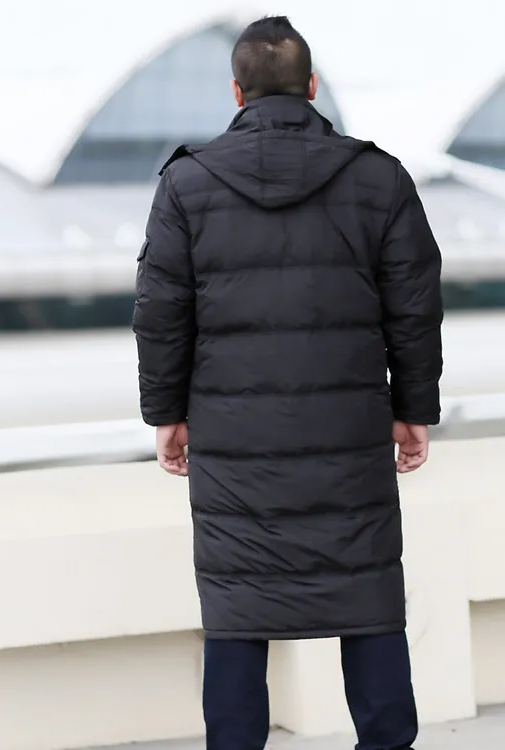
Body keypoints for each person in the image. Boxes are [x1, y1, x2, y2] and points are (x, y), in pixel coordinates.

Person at [133, 15, 443, 750]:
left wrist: (166, 413)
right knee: (367, 591)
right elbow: (415, 303)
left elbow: (160, 311)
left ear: (236, 92)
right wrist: (414, 407)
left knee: (238, 603)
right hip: (348, 436)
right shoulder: (379, 177)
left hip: (233, 441)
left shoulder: (187, 183)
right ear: (311, 87)